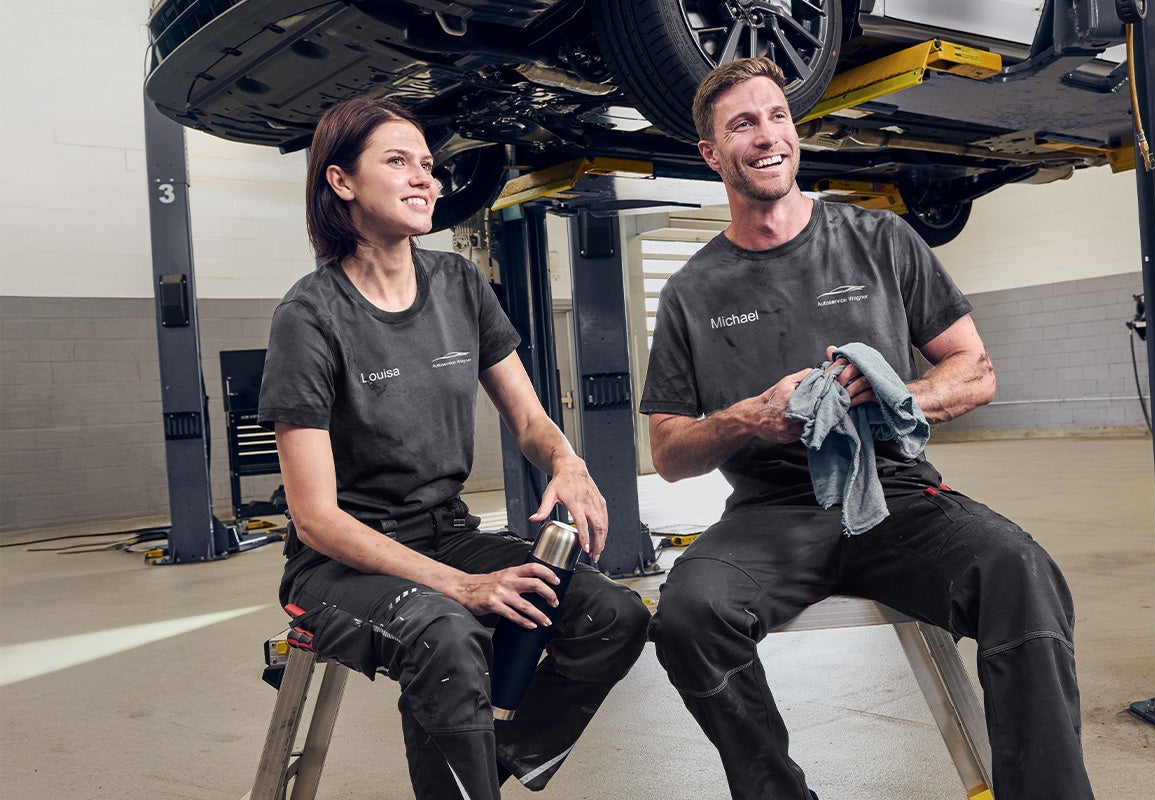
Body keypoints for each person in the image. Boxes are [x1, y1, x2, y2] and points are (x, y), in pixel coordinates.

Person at [639, 58, 1094, 800]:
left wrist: (889, 394)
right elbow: (668, 452)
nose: (767, 136)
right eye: (742, 125)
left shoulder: (879, 239)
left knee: (1019, 571)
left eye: (777, 116)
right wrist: (752, 417)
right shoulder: (692, 290)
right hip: (771, 515)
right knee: (689, 617)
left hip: (896, 496)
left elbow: (975, 371)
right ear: (712, 155)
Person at [258, 97, 649, 800]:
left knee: (613, 617)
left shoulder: (460, 283)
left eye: (428, 165)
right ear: (341, 181)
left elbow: (528, 418)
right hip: (339, 561)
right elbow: (315, 519)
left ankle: (480, 771)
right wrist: (462, 587)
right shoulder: (309, 316)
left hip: (447, 531)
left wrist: (568, 461)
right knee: (446, 633)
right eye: (397, 161)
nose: (425, 179)